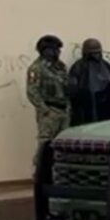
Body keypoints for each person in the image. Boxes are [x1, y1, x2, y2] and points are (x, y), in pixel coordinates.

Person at [26, 35, 69, 165]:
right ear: (47, 50)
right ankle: (39, 175)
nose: (59, 52)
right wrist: (44, 110)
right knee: (45, 145)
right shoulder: (36, 68)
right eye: (56, 49)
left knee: (63, 145)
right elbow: (32, 91)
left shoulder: (61, 67)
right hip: (49, 112)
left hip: (64, 111)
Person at [68, 38, 110, 126]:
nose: (96, 55)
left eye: (97, 53)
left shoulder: (105, 66)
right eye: (93, 53)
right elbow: (73, 92)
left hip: (106, 113)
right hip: (89, 114)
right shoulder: (79, 67)